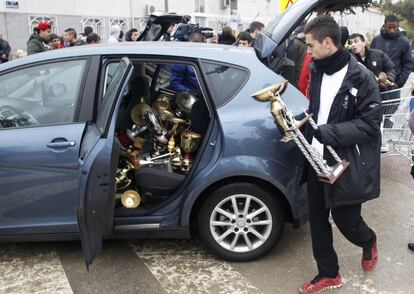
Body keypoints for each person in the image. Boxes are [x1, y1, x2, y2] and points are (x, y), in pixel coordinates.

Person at [299, 16, 381, 294]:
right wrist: (303, 121)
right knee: (318, 220)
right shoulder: (317, 69)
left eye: (311, 46)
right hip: (315, 157)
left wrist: (329, 132)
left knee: (347, 222)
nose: (308, 52)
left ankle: (368, 240)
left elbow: (370, 126)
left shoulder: (362, 77)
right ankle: (328, 273)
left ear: (328, 42)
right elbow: (319, 109)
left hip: (345, 162)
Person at [371, 15, 413, 89]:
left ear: (398, 26)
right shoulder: (376, 40)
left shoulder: (404, 42)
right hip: (376, 84)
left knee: (393, 101)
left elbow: (408, 64)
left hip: (394, 85)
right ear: (384, 26)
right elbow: (369, 59)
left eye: (394, 27)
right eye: (389, 27)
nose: (392, 30)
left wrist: (399, 83)